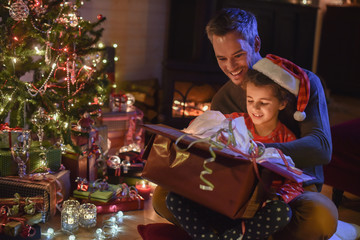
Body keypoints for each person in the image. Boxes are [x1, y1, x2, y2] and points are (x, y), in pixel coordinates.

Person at [153, 8, 338, 240]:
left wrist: (261, 154)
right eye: (222, 58)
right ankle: (243, 233)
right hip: (238, 190)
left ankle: (232, 231)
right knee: (162, 196)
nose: (230, 66)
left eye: (238, 55)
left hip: (291, 192)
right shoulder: (222, 98)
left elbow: (322, 147)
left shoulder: (304, 83)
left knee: (321, 216)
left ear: (256, 43)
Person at [166, 56, 308, 240]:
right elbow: (203, 126)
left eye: (263, 103)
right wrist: (205, 130)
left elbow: (295, 182)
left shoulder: (287, 139)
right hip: (220, 198)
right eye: (250, 101)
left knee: (282, 212)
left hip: (253, 209)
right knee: (173, 198)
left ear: (282, 103)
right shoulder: (234, 122)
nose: (255, 108)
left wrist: (278, 196)